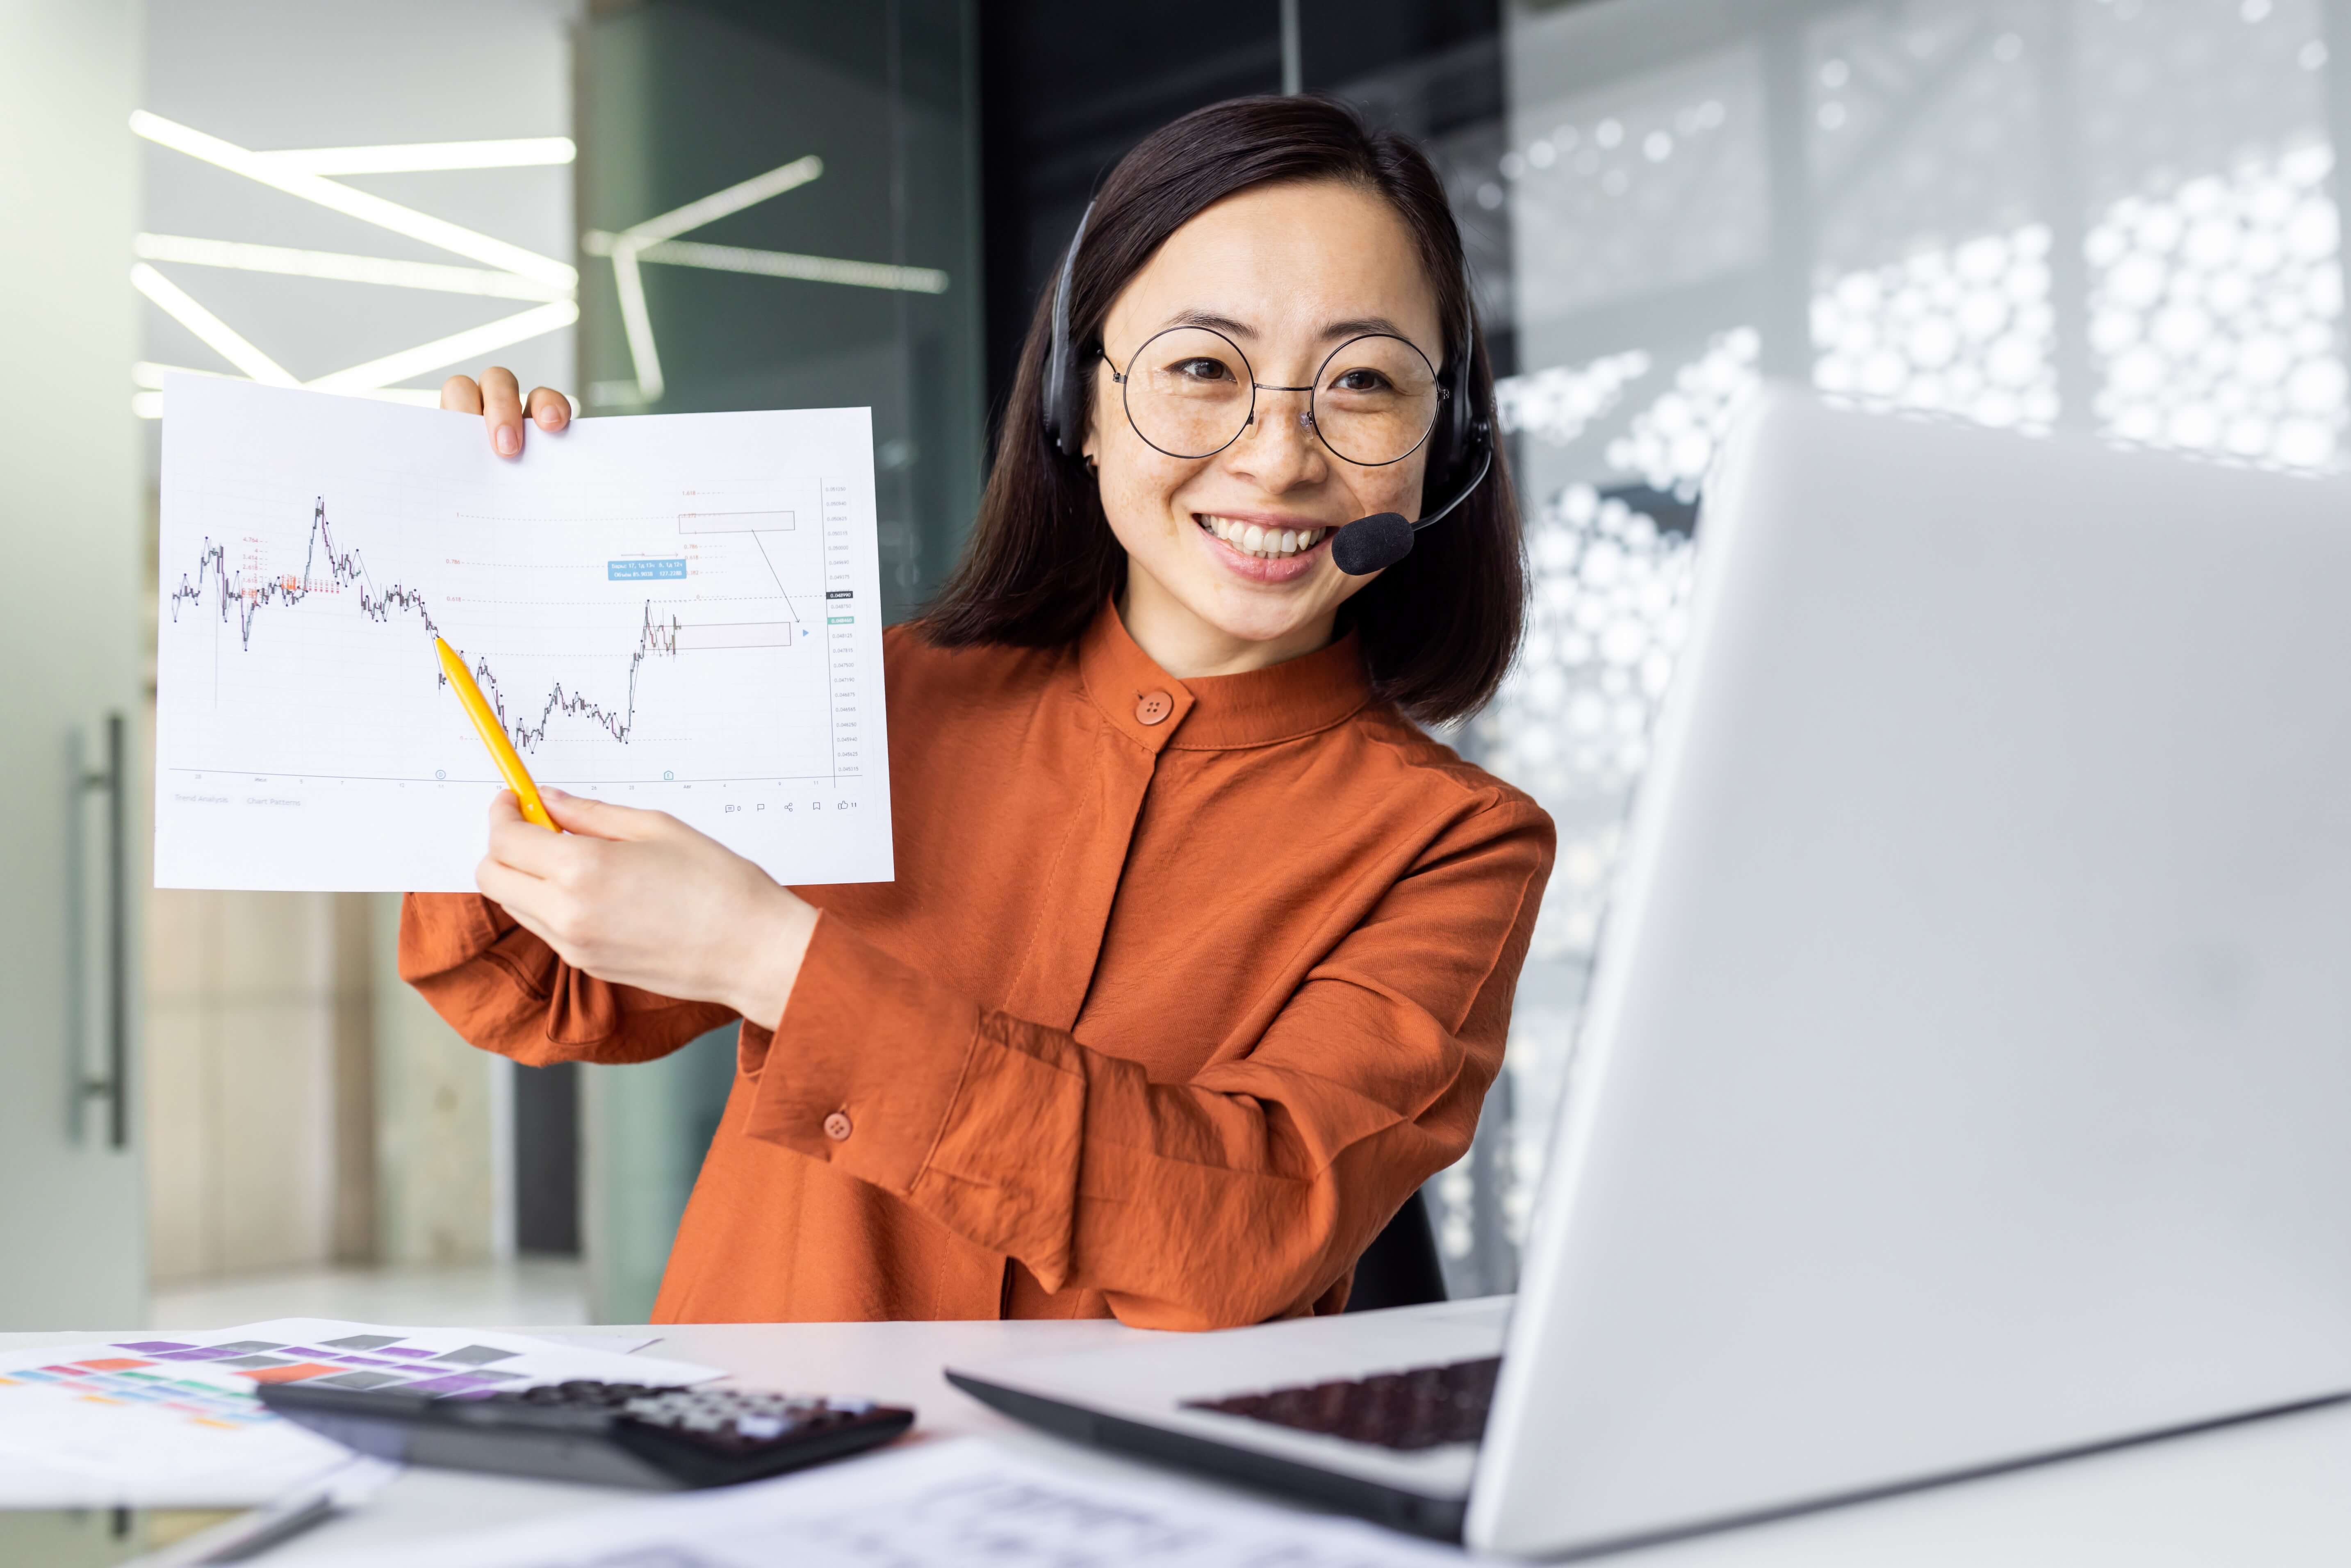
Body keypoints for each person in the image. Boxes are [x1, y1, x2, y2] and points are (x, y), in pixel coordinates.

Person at [402, 94, 1554, 1330]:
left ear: (1451, 437)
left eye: (1366, 380)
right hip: (744, 1492)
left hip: (1113, 1521)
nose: (1279, 457)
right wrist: (508, 603)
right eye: (1204, 370)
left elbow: (1245, 1227)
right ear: (1081, 405)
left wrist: (772, 961)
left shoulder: (1455, 846)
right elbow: (523, 987)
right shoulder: (873, 697)